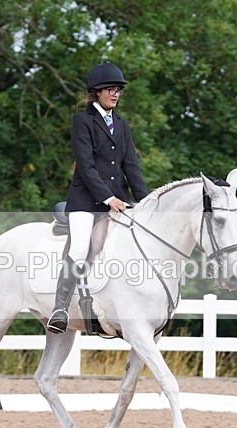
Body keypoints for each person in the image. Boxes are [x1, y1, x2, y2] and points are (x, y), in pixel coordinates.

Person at [47, 61, 150, 334]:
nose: (116, 94)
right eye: (111, 90)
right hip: (85, 202)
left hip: (117, 202)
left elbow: (131, 167)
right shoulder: (82, 121)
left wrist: (148, 202)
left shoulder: (121, 124)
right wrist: (108, 198)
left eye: (119, 90)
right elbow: (86, 165)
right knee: (81, 248)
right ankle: (60, 307)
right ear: (96, 92)